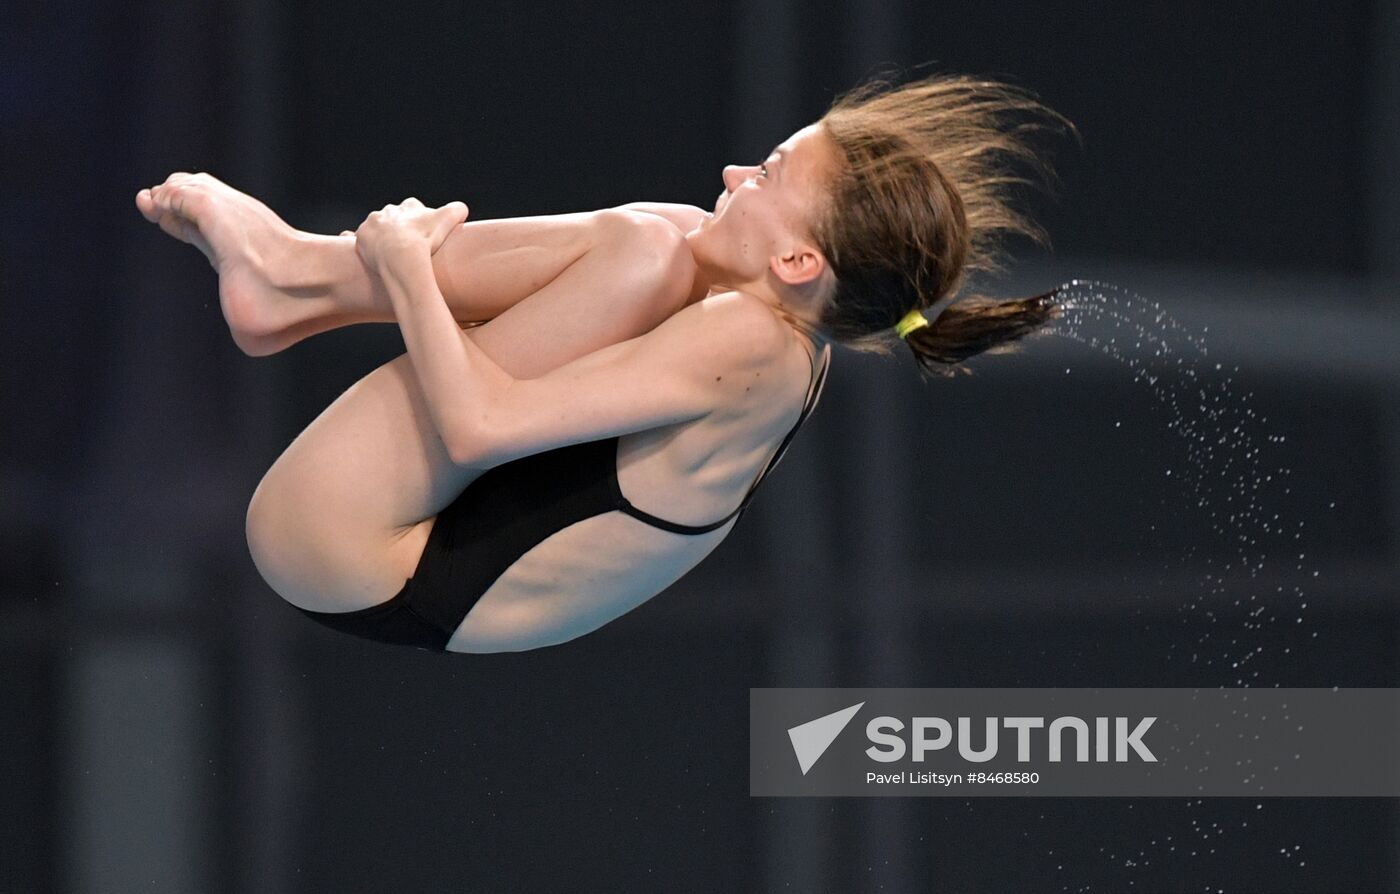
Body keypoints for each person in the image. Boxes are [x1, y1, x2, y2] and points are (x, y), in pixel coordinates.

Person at [134, 72, 1071, 653]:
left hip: (361, 555)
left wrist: (410, 268)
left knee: (652, 245)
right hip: (393, 560)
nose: (737, 175)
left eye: (770, 176)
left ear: (798, 263)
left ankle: (302, 273)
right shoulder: (775, 332)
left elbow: (480, 425)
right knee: (661, 238)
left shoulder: (749, 346)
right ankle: (298, 276)